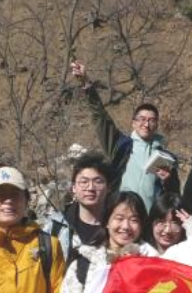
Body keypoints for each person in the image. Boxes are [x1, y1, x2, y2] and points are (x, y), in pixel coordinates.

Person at [72, 60, 176, 209]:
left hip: (149, 219)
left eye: (152, 120)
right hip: (119, 214)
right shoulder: (121, 145)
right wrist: (86, 84)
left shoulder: (165, 157)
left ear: (157, 125)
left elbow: (174, 194)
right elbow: (101, 118)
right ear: (133, 123)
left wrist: (168, 181)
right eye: (142, 119)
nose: (146, 124)